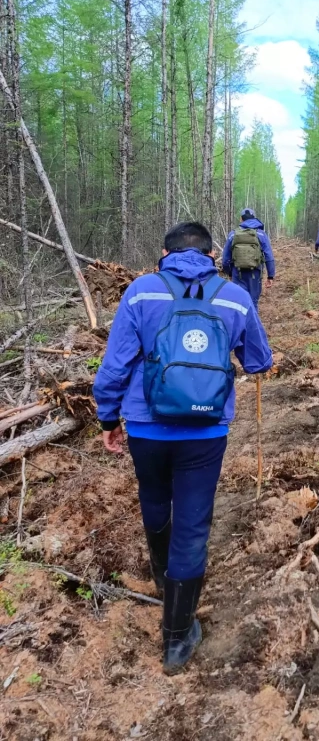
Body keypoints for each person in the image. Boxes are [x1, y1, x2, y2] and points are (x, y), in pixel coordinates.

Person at [93, 221, 272, 674]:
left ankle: (160, 576)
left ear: (163, 254)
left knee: (154, 498)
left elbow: (115, 366)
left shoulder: (141, 292)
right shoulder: (234, 295)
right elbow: (258, 360)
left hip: (146, 427)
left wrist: (108, 418)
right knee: (193, 522)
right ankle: (176, 638)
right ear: (214, 255)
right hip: (206, 432)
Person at [222, 208, 275, 309]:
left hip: (237, 274)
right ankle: (252, 324)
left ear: (241, 219)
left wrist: (229, 273)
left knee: (238, 303)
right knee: (253, 302)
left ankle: (240, 324)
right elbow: (269, 256)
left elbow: (225, 259)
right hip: (255, 274)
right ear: (254, 218)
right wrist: (270, 276)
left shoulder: (233, 234)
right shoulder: (261, 234)